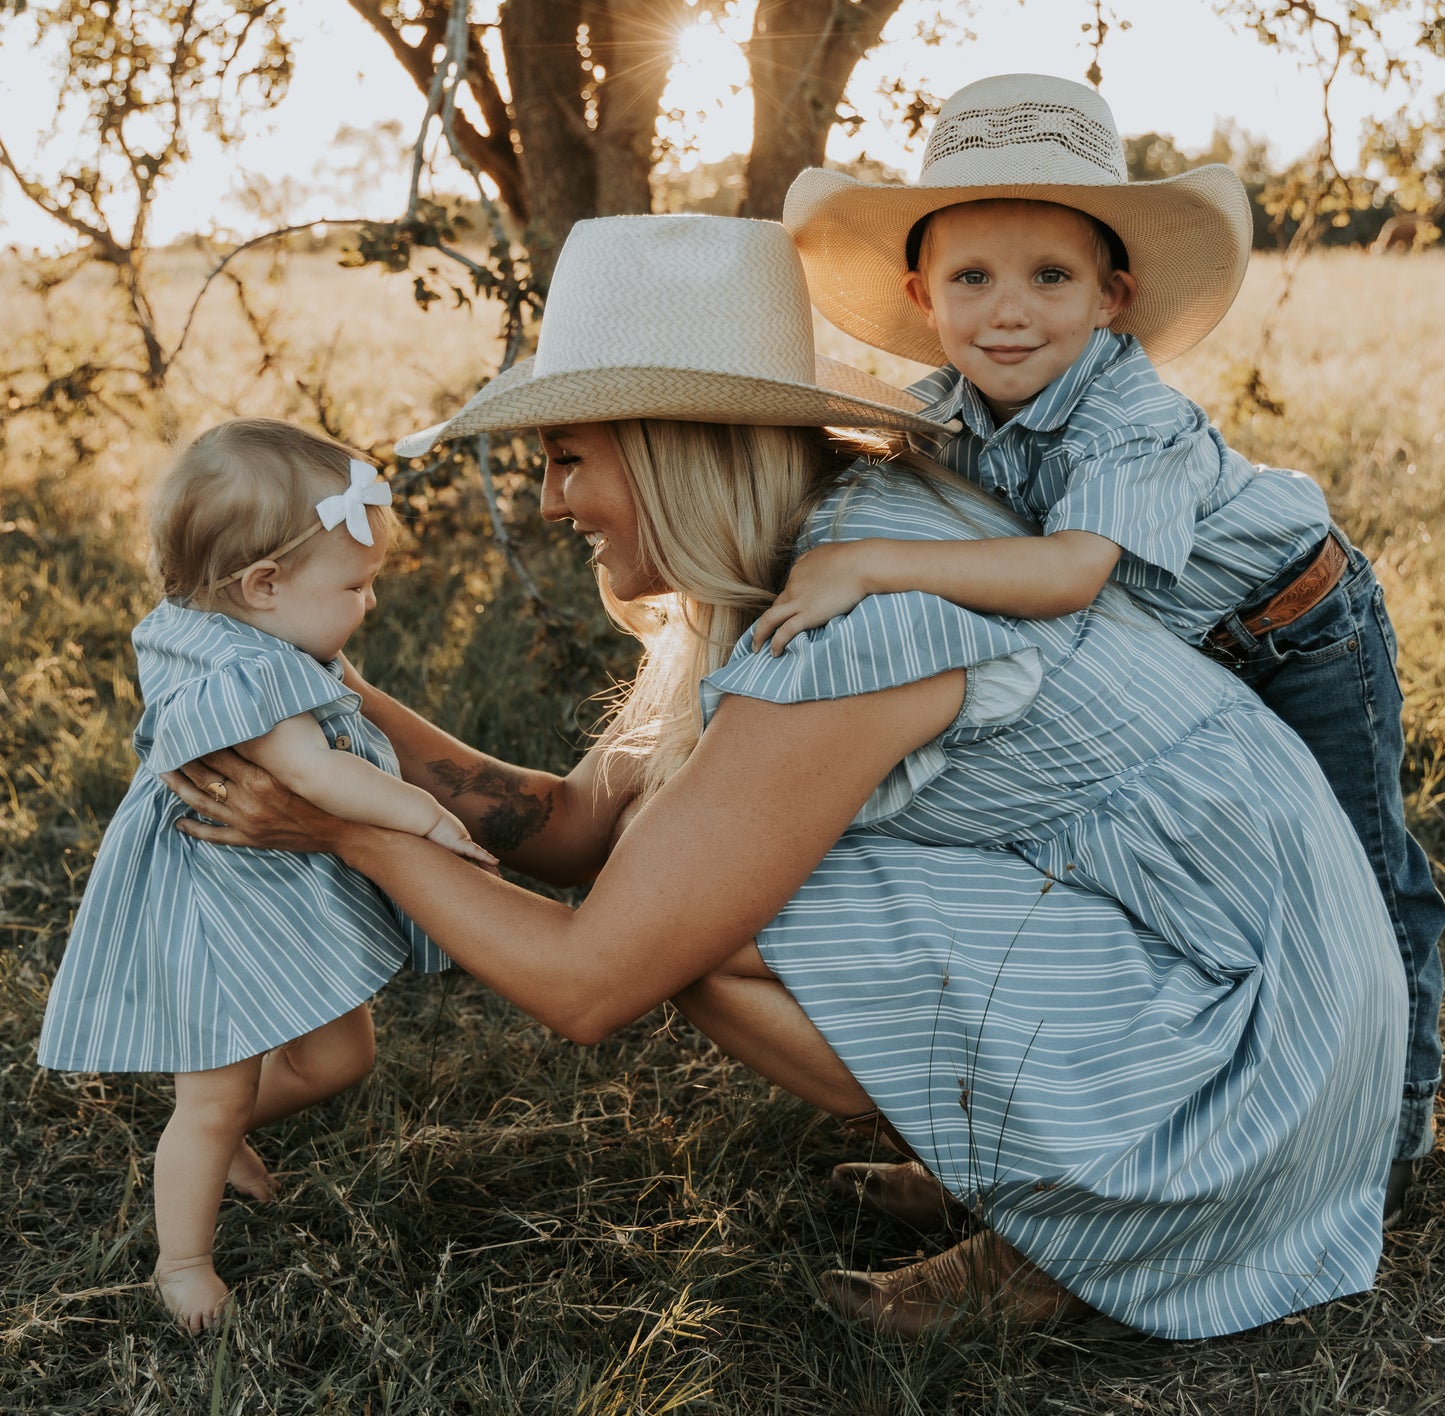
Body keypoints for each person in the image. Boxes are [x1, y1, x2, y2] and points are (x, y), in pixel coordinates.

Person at [163, 215, 1405, 1341]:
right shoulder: (803, 560)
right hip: (1214, 958)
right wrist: (301, 689)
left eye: (568, 460)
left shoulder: (857, 623)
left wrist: (351, 835)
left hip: (1258, 1058)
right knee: (679, 858)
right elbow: (577, 825)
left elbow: (591, 978)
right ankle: (1024, 1148)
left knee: (703, 916)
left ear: (670, 455)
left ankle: (1084, 1209)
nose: (551, 501)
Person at [779, 72, 1443, 1202]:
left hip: (1295, 628)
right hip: (1170, 669)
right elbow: (911, 500)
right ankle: (1096, 1122)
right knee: (1172, 890)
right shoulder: (941, 409)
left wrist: (869, 563)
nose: (1008, 310)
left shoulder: (1131, 414)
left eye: (1050, 278)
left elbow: (1068, 571)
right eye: (971, 278)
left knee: (1363, 864)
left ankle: (1390, 1125)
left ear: (1110, 298)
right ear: (920, 293)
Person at [37, 418, 492, 1332]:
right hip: (212, 905)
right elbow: (322, 776)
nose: (368, 605)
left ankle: (229, 1139)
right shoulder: (246, 674)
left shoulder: (224, 631)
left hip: (274, 894)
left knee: (339, 1056)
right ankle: (183, 1263)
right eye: (356, 587)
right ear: (264, 584)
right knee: (212, 1096)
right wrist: (431, 818)